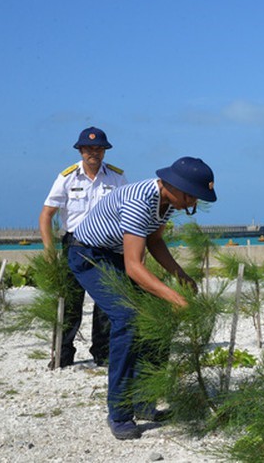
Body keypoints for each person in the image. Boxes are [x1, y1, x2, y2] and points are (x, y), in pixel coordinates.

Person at [68, 157, 217, 440]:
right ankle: (120, 412)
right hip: (89, 255)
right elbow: (135, 268)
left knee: (158, 315)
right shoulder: (140, 200)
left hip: (116, 256)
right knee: (127, 319)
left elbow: (155, 240)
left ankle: (144, 401)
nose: (193, 202)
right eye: (191, 195)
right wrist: (176, 298)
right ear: (174, 186)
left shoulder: (168, 202)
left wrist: (180, 276)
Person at [39, 126, 127, 368]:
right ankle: (62, 356)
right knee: (70, 303)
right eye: (88, 148)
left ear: (105, 151)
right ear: (80, 150)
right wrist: (49, 250)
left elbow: (127, 213)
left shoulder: (117, 178)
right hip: (75, 246)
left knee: (106, 303)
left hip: (107, 247)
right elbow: (46, 215)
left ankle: (104, 354)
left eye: (98, 148)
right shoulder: (67, 177)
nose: (93, 153)